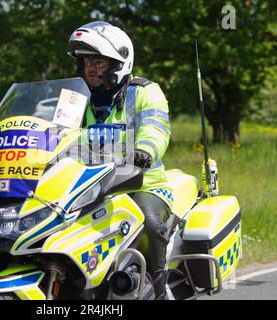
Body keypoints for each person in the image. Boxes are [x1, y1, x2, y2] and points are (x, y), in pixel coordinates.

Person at [67, 21, 173, 300]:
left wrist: (145, 151)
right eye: (87, 62)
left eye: (98, 62)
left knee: (148, 223)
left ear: (118, 65)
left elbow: (156, 128)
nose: (90, 68)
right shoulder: (74, 99)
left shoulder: (145, 91)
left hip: (141, 185)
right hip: (85, 188)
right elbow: (51, 132)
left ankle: (158, 292)